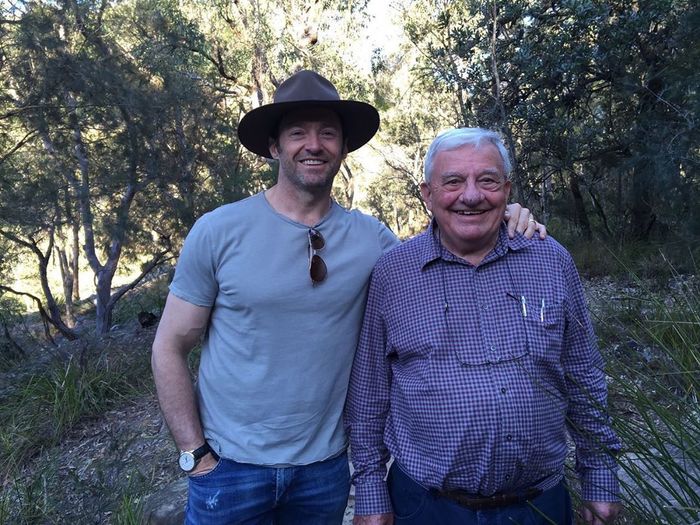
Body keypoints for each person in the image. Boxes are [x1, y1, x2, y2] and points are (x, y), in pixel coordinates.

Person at [151, 72, 544, 525]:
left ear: (342, 148)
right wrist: (194, 454)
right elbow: (169, 346)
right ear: (275, 147)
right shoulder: (219, 231)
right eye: (297, 132)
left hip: (326, 470)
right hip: (229, 469)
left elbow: (444, 258)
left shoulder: (373, 241)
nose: (313, 144)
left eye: (327, 133)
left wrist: (504, 217)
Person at [344, 127, 622, 525]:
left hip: (539, 507)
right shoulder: (394, 273)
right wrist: (371, 493)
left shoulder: (550, 260)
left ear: (507, 190)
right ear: (427, 194)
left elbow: (584, 376)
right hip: (427, 507)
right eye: (453, 181)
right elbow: (369, 395)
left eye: (487, 180)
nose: (471, 195)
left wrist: (600, 478)